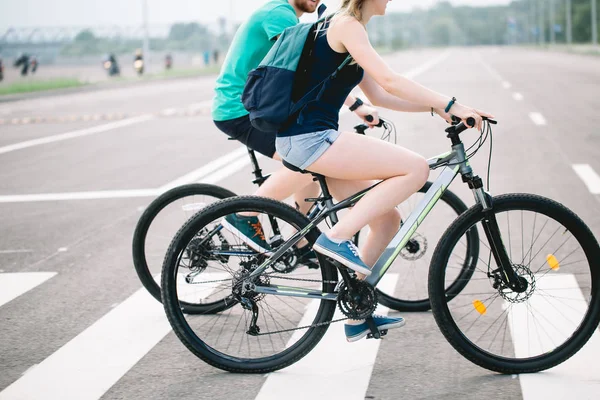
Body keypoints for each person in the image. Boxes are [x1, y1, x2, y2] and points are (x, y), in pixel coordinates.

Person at [275, 0, 494, 342]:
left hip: (311, 138)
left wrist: (438, 110)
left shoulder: (348, 26)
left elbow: (380, 95)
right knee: (415, 168)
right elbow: (391, 80)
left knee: (388, 220)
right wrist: (451, 103)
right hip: (310, 138)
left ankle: (357, 307)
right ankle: (335, 238)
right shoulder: (347, 25)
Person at [212, 0, 380, 260]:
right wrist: (356, 104)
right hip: (240, 108)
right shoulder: (278, 15)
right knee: (308, 159)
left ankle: (299, 239)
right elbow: (308, 68)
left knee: (311, 161)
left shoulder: (286, 16)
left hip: (258, 105)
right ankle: (244, 214)